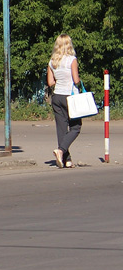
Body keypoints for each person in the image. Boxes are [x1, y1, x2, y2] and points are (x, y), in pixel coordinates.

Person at [47, 33, 82, 168]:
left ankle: (67, 160)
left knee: (61, 129)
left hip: (56, 97)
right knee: (76, 127)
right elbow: (76, 80)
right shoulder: (71, 60)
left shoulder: (52, 62)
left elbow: (50, 82)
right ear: (69, 45)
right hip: (69, 96)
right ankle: (61, 150)